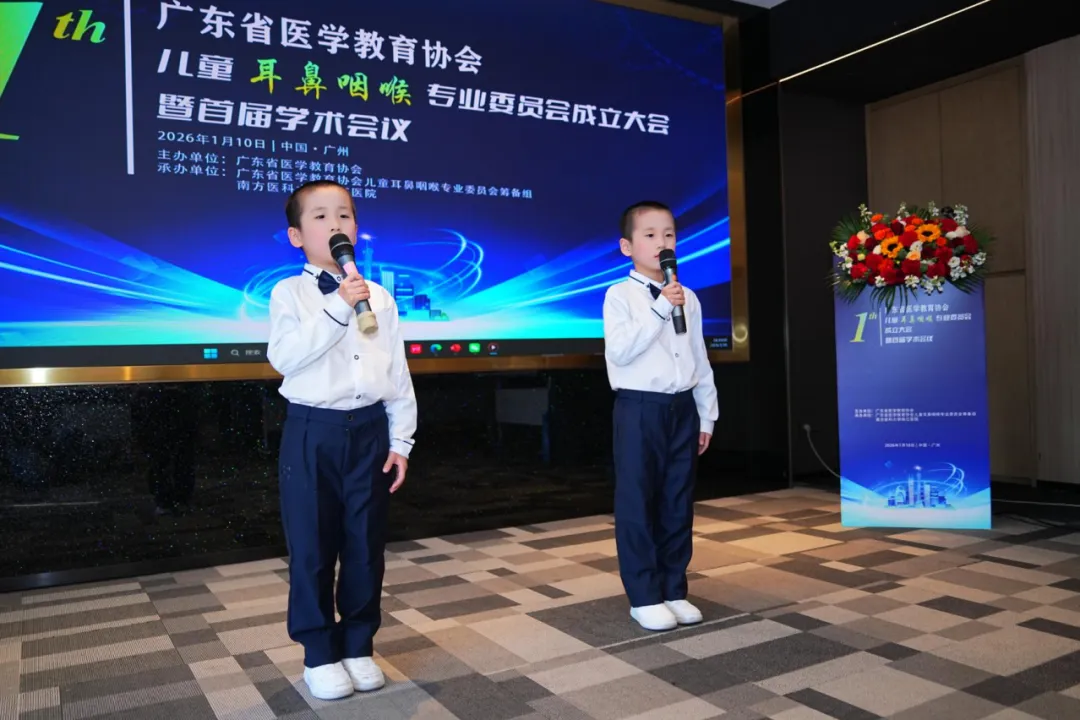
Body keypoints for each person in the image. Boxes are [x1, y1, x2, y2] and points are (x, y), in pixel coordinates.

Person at [267, 180, 417, 700]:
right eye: (321, 217)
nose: (336, 225)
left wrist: (401, 440)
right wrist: (338, 305)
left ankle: (358, 644)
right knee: (312, 547)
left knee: (365, 546)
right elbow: (284, 358)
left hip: (371, 430)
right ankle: (319, 651)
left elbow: (397, 373)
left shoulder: (381, 297)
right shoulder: (289, 294)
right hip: (314, 430)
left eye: (345, 215)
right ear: (296, 236)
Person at [602, 200, 718, 632]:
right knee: (638, 501)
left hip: (682, 408)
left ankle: (673, 588)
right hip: (640, 408)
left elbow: (698, 358)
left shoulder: (689, 297)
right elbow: (620, 352)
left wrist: (707, 415)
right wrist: (660, 308)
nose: (662, 243)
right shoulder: (619, 296)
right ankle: (644, 595)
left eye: (668, 234)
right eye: (650, 235)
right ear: (627, 247)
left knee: (677, 501)